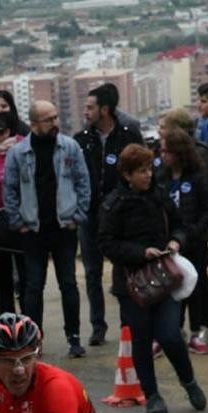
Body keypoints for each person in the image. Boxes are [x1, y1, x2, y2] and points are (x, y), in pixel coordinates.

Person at [98, 144, 207, 413]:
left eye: (149, 169)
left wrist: (175, 240)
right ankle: (153, 396)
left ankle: (189, 381)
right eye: (141, 171)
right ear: (127, 175)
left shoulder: (159, 195)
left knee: (170, 335)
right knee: (141, 340)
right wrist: (139, 253)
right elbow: (106, 243)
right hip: (132, 284)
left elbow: (181, 225)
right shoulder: (114, 203)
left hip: (164, 278)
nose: (147, 175)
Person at [3, 100, 91, 358]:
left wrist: (78, 216)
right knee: (33, 287)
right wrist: (18, 222)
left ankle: (74, 337)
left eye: (55, 117)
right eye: (48, 119)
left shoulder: (70, 147)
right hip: (33, 230)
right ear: (34, 124)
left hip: (64, 227)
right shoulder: (18, 153)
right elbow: (9, 190)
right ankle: (33, 339)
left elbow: (83, 182)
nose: (55, 123)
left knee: (69, 284)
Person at [74, 84, 143, 346]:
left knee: (124, 271)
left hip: (121, 216)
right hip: (90, 216)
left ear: (105, 110)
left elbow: (140, 170)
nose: (86, 112)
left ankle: (129, 323)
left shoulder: (128, 135)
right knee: (92, 272)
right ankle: (98, 325)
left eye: (90, 107)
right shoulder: (82, 139)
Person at [156, 129, 208, 354]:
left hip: (194, 242)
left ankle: (198, 330)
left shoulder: (197, 177)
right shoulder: (161, 178)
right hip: (169, 244)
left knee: (196, 286)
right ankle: (173, 330)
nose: (163, 155)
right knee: (171, 287)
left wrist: (195, 231)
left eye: (167, 151)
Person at [0, 112, 26, 315]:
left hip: (20, 221)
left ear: (6, 132)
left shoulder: (21, 150)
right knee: (1, 279)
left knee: (25, 279)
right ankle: (6, 322)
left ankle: (29, 323)